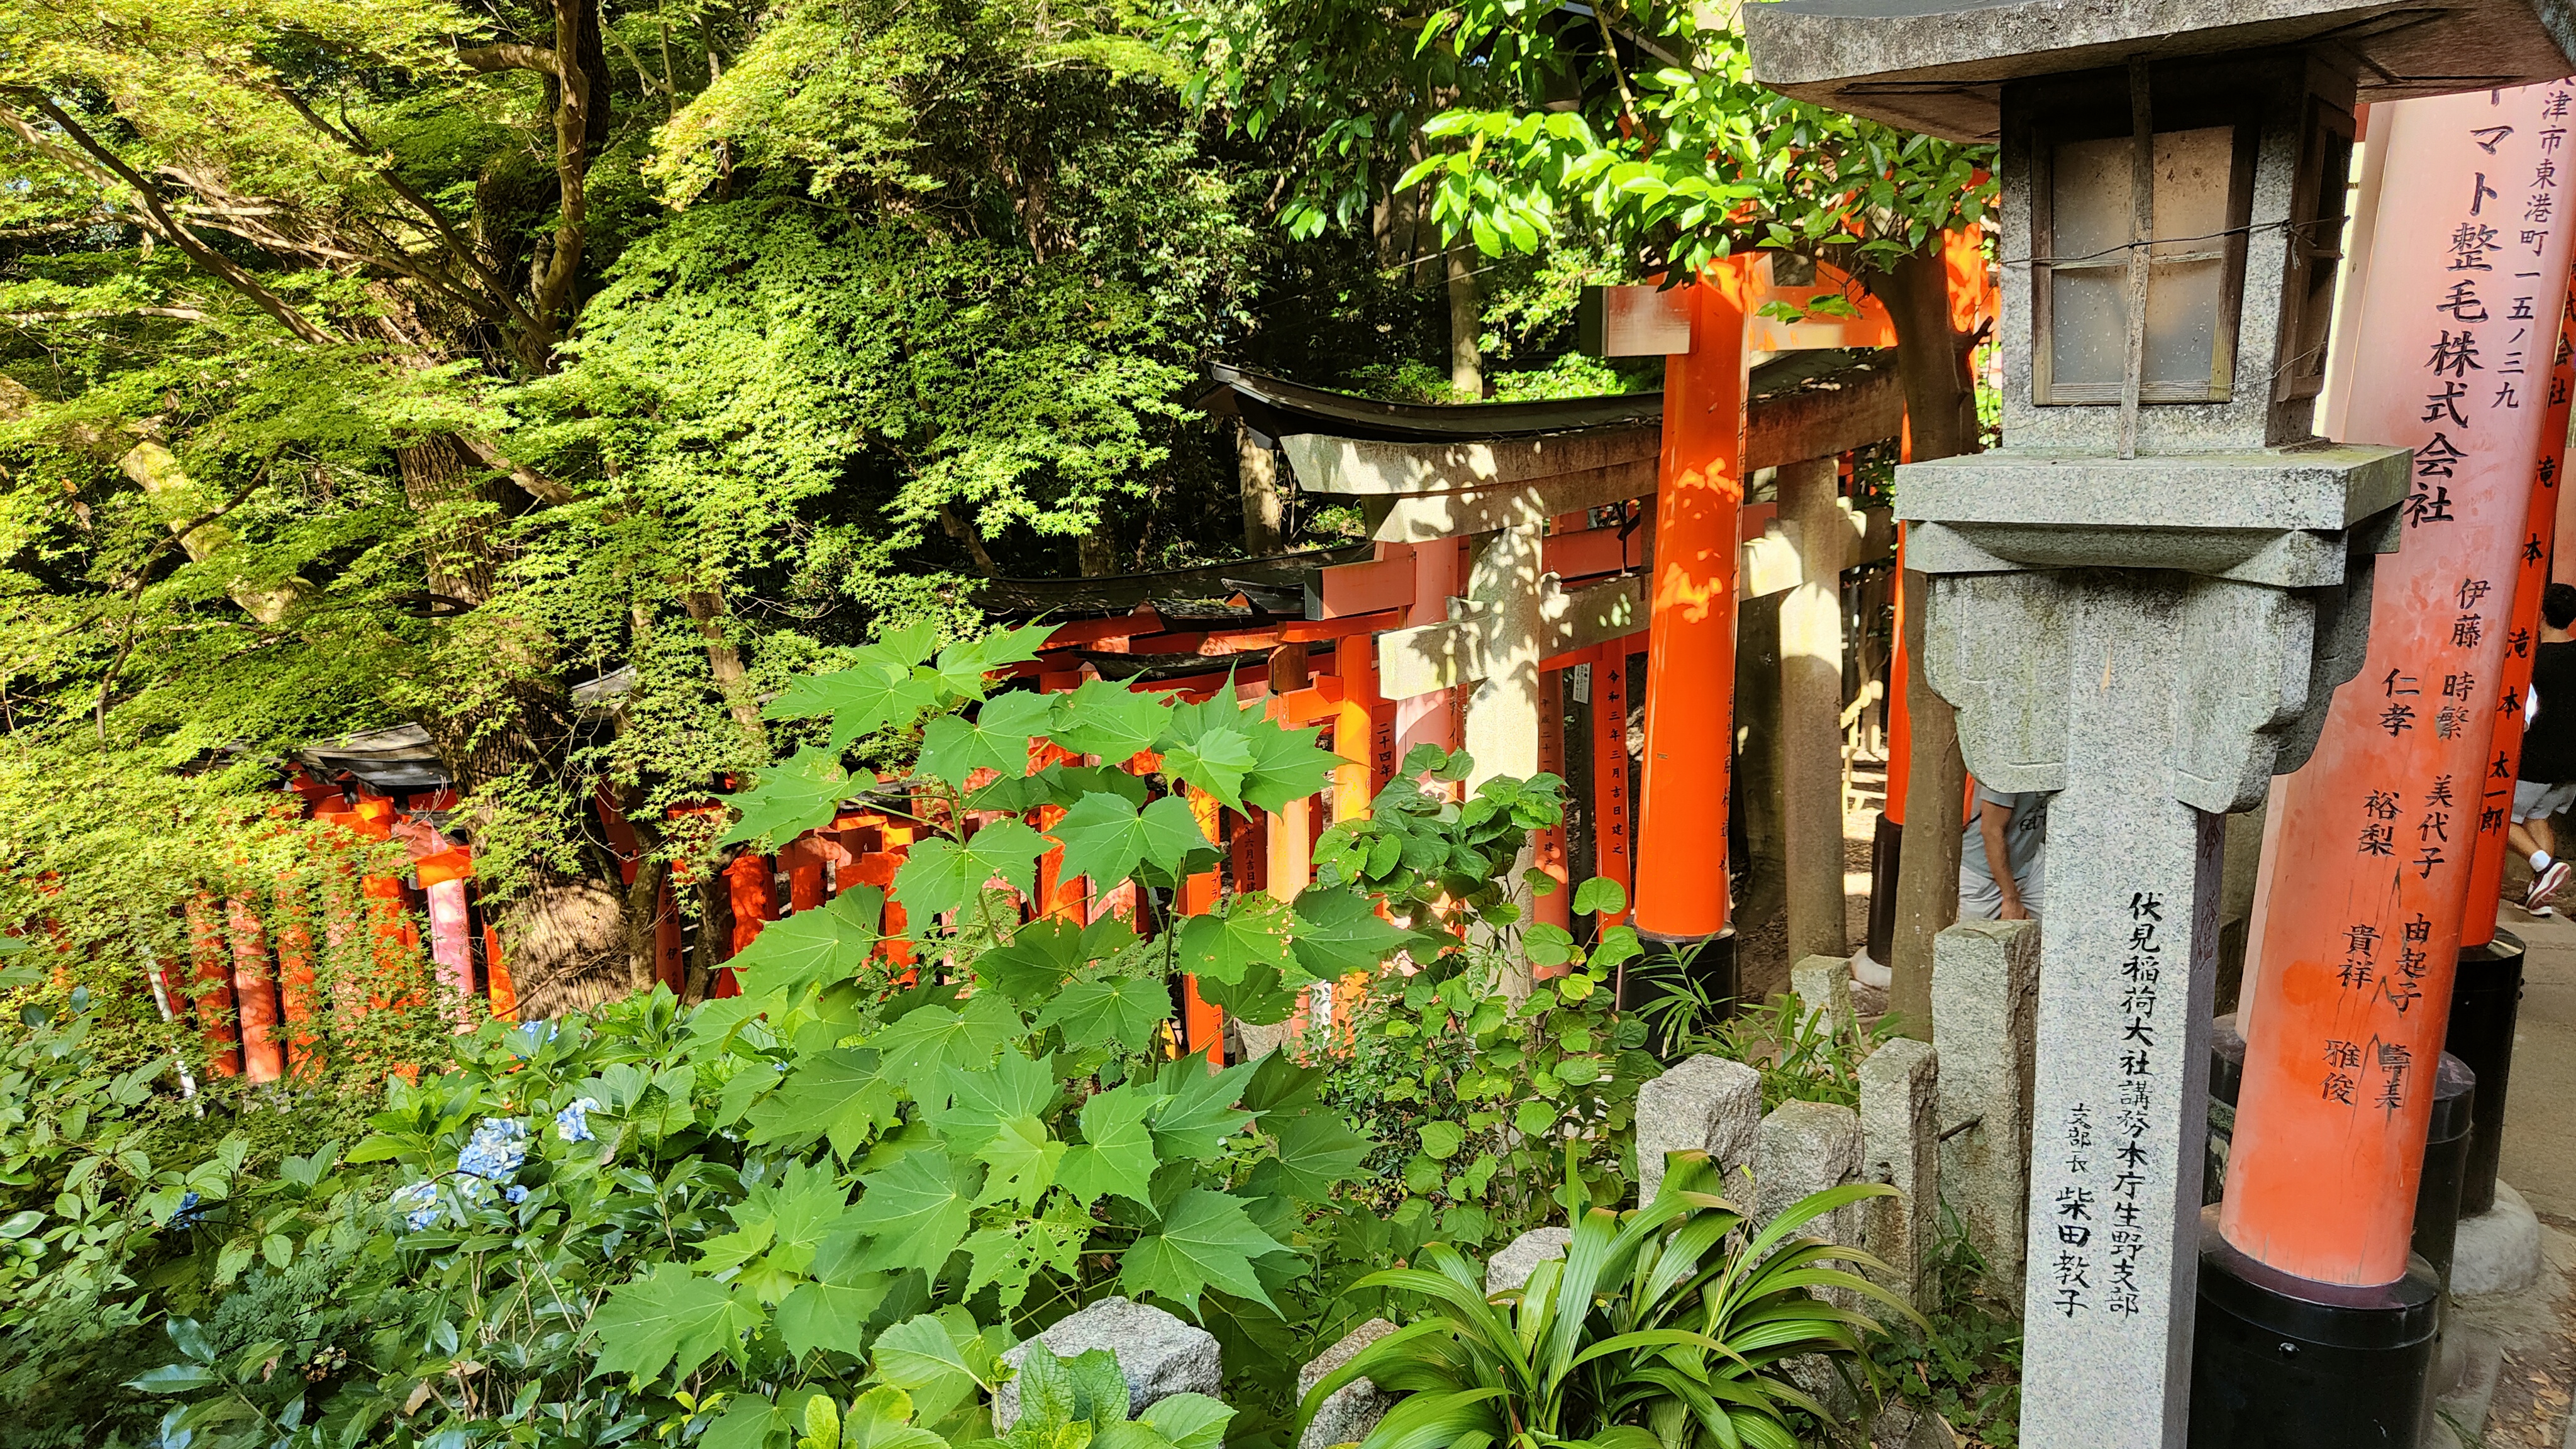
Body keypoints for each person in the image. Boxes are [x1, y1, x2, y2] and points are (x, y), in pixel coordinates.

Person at [2511, 582, 2576, 914]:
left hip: (2539, 757)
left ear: (2540, 614)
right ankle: (2541, 898)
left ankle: (2544, 867)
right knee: (2539, 816)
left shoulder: (2533, 662)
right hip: (2571, 764)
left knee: (2499, 815)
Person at [1959, 779, 2048, 921]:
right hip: (1982, 873)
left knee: (2061, 927)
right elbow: (1991, 831)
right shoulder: (2004, 770)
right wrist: (2011, 898)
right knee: (1977, 939)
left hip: (2030, 862)